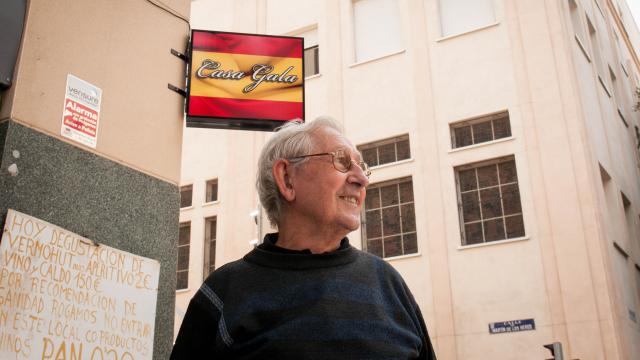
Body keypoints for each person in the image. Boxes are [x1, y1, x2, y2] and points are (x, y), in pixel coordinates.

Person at [170, 116, 437, 359]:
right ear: (287, 178)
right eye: (342, 161)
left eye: (362, 167)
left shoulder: (389, 284)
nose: (361, 179)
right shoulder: (224, 293)